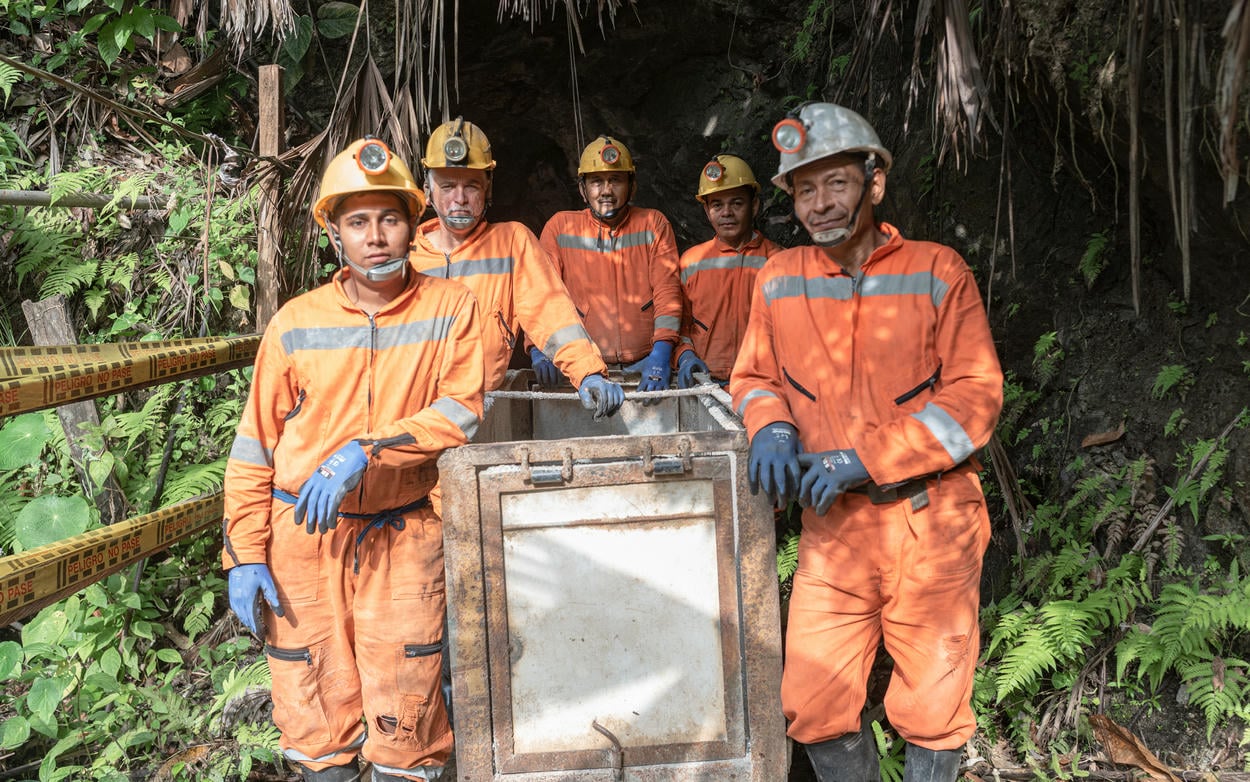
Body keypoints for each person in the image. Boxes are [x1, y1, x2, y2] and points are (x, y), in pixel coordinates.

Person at [730, 103, 1003, 782]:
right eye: (803, 189)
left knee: (934, 704)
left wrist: (867, 458)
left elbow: (975, 398)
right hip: (835, 529)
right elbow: (756, 376)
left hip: (931, 520)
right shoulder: (780, 277)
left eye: (836, 184)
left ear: (873, 182)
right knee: (812, 702)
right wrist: (771, 426)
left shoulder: (938, 271)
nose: (819, 205)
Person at [222, 137, 485, 782]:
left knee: (408, 708)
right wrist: (245, 555)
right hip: (303, 539)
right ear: (335, 233)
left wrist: (367, 453)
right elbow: (254, 446)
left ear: (411, 226)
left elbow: (461, 412)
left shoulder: (453, 309)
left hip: (403, 531)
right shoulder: (296, 322)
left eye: (390, 219)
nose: (377, 237)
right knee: (314, 712)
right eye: (358, 222)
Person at [409, 117, 623, 418]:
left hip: (477, 412)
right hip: (411, 414)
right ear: (427, 191)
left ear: (488, 189)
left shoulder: (511, 242)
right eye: (447, 186)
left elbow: (551, 311)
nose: (459, 198)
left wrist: (587, 372)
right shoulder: (405, 255)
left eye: (471, 186)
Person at [539, 135, 682, 402]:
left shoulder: (653, 224)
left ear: (632, 186)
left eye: (616, 180)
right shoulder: (560, 228)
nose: (606, 190)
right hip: (583, 371)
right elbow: (542, 296)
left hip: (644, 365)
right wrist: (538, 348)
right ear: (582, 189)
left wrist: (662, 352)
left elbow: (668, 291)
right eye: (596, 181)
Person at [673, 154, 782, 387]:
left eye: (737, 203)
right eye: (717, 205)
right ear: (706, 211)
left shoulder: (780, 261)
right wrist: (685, 355)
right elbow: (680, 326)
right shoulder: (691, 262)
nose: (727, 213)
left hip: (764, 385)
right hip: (705, 384)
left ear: (754, 205)